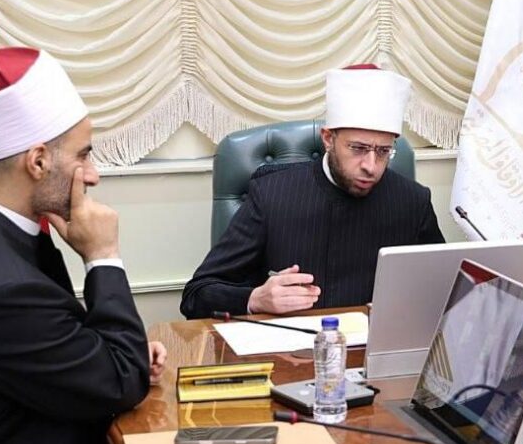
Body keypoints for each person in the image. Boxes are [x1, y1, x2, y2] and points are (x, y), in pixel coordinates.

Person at [0, 46, 166, 444]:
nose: (92, 175)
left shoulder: (17, 232)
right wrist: (103, 255)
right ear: (38, 160)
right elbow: (120, 383)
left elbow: (57, 337)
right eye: (83, 155)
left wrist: (110, 352)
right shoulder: (7, 287)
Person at [181, 65, 444, 318]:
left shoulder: (413, 201)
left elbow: (444, 288)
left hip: (378, 344)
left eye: (384, 151)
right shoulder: (272, 194)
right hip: (291, 345)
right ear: (328, 139)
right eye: (358, 148)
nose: (371, 166)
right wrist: (255, 299)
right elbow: (196, 295)